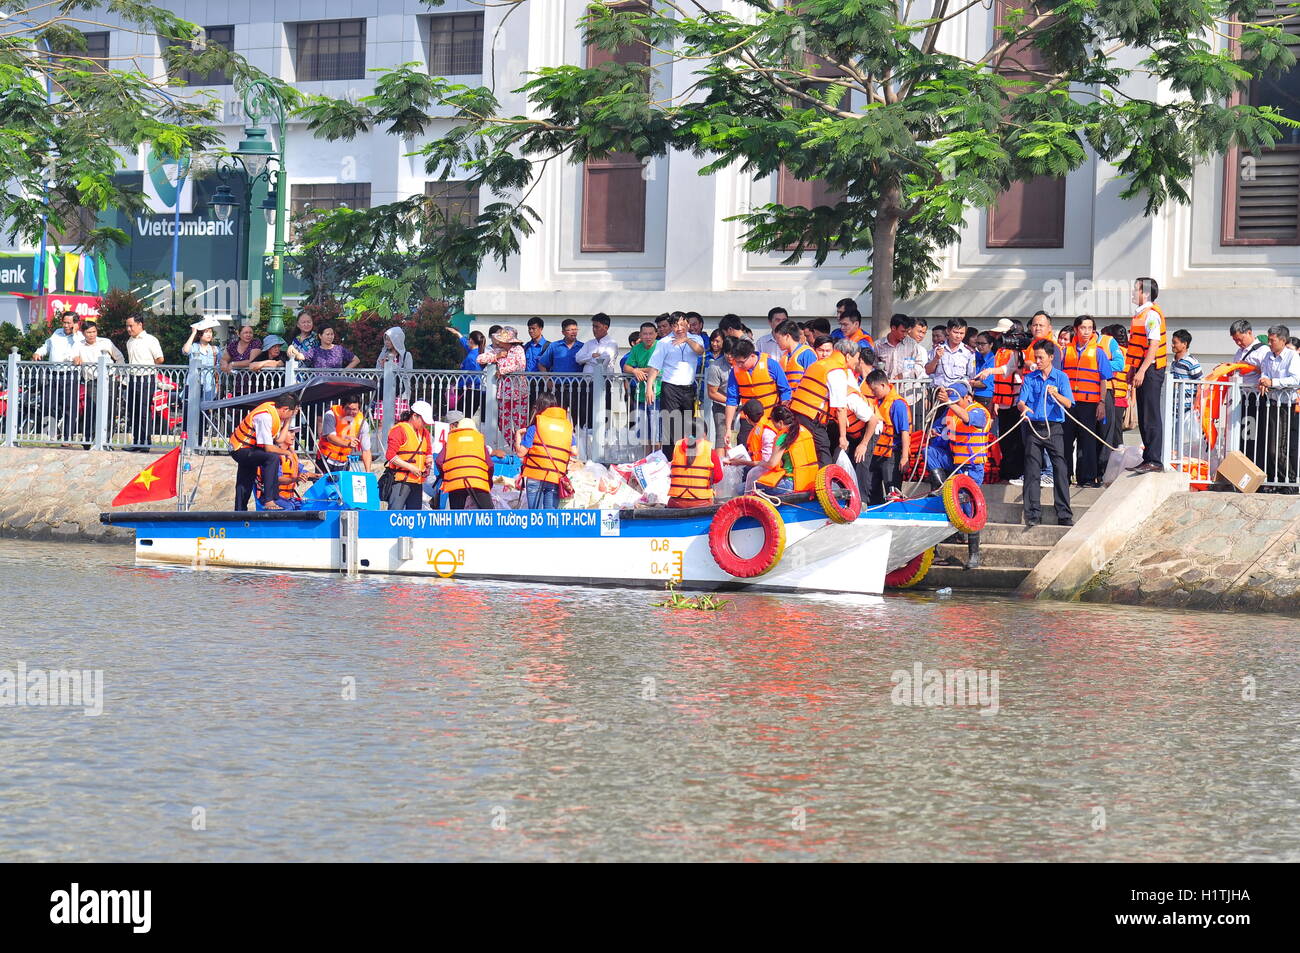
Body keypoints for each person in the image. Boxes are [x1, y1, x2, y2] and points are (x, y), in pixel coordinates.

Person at [925, 382, 990, 569]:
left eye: (957, 401)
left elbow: (969, 419)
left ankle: (974, 555)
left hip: (972, 466)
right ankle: (940, 488)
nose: (953, 405)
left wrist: (950, 404)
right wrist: (935, 433)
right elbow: (945, 436)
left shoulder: (979, 411)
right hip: (955, 463)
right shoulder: (950, 413)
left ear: (968, 397)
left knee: (969, 506)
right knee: (930, 452)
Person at [1017, 340, 1074, 529]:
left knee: (1060, 468)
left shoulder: (1061, 377)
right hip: (1033, 427)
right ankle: (1032, 514)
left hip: (1054, 428)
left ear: (1051, 357)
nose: (1038, 361)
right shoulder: (1030, 378)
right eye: (1036, 357)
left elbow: (1068, 403)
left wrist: (1056, 394)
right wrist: (1024, 408)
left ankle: (1064, 513)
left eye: (1041, 357)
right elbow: (1021, 401)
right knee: (1031, 470)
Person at [1061, 315, 1114, 488]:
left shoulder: (1098, 352)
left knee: (1088, 442)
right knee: (1066, 441)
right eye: (1083, 328)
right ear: (1076, 329)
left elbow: (1103, 380)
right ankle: (1065, 476)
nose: (1086, 331)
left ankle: (1088, 478)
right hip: (1068, 404)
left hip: (1089, 404)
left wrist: (1101, 402)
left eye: (1090, 328)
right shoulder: (1065, 351)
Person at [785, 336, 850, 465]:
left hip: (798, 412)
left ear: (834, 351)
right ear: (848, 357)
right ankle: (823, 483)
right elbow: (841, 407)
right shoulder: (835, 370)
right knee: (823, 447)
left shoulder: (815, 366)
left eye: (828, 351)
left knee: (808, 448)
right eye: (821, 350)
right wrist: (843, 437)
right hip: (810, 415)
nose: (824, 354)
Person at [647, 313, 705, 456]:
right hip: (670, 388)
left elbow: (700, 351)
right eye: (675, 325)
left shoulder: (696, 339)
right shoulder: (664, 342)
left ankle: (686, 458)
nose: (679, 328)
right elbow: (654, 367)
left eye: (681, 324)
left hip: (688, 389)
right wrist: (649, 388)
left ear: (687, 324)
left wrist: (686, 339)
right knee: (671, 427)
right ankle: (670, 460)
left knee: (688, 426)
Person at [1125, 276, 1167, 473]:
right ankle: (1148, 457)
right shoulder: (1140, 315)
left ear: (1146, 293)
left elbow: (1153, 345)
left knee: (1150, 414)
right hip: (1142, 367)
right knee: (1143, 415)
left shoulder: (1151, 315)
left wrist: (1141, 370)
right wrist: (1133, 369)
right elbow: (1138, 347)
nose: (1133, 293)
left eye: (1136, 289)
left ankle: (1155, 460)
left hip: (1151, 369)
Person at [229, 393, 298, 511]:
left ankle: (240, 511)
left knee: (246, 479)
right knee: (272, 458)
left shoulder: (275, 413)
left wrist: (289, 418)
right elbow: (269, 449)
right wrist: (287, 453)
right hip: (240, 449)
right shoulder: (265, 417)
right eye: (291, 413)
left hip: (250, 450)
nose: (291, 415)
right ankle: (270, 500)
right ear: (285, 409)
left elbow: (280, 440)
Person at [723, 338, 791, 449]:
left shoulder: (771, 365)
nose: (739, 365)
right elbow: (731, 400)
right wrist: (728, 429)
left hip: (771, 418)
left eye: (741, 362)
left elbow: (785, 390)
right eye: (737, 362)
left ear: (752, 356)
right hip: (748, 420)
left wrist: (782, 413)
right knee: (745, 448)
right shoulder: (735, 372)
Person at [855, 368, 911, 505]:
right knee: (873, 489)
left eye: (875, 390)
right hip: (877, 453)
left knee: (893, 491)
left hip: (892, 454)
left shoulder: (897, 404)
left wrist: (904, 458)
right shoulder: (878, 402)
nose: (873, 393)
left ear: (883, 385)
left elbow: (904, 432)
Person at [1257, 324, 1300, 493]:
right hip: (1272, 403)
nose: (1269, 343)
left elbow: (1296, 380)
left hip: (1285, 405)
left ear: (1282, 340)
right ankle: (1281, 481)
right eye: (1268, 340)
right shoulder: (1269, 355)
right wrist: (1263, 380)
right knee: (1270, 446)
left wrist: (1273, 383)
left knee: (1279, 447)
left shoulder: (1292, 356)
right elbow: (1265, 372)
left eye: (1272, 340)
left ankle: (1289, 481)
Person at [516, 393, 577, 509]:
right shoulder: (566, 427)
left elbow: (520, 452)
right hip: (555, 476)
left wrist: (518, 435)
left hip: (535, 475)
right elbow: (574, 451)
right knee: (550, 517)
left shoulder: (534, 427)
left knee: (535, 517)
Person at [34, 310, 86, 444]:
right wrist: (38, 353)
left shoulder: (80, 337)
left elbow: (80, 350)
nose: (66, 325)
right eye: (64, 322)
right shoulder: (57, 333)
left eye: (69, 323)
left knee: (69, 407)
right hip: (53, 374)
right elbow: (46, 346)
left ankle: (67, 437)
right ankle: (52, 433)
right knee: (47, 404)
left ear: (76, 324)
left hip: (70, 375)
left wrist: (74, 333)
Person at [71, 320, 124, 449]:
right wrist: (76, 359)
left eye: (94, 331)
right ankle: (88, 440)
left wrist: (118, 374)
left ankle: (106, 441)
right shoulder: (78, 344)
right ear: (83, 333)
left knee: (109, 410)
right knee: (91, 409)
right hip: (92, 381)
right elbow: (72, 356)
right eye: (89, 332)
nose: (92, 335)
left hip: (109, 380)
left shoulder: (105, 342)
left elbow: (119, 357)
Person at [1229, 319, 1268, 470]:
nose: (1238, 343)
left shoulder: (1263, 351)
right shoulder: (1239, 352)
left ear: (1249, 333)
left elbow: (1267, 373)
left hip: (1256, 398)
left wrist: (1251, 368)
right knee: (1243, 437)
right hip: (1241, 397)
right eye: (1235, 340)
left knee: (1256, 437)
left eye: (1240, 339)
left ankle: (1257, 469)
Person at [123, 314, 165, 451]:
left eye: (131, 326)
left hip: (147, 378)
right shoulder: (129, 341)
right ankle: (136, 441)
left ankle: (145, 441)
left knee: (143, 410)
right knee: (132, 410)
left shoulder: (150, 340)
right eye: (127, 326)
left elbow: (160, 359)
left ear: (140, 324)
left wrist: (147, 366)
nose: (129, 329)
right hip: (133, 378)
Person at [384, 400, 436, 510]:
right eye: (423, 421)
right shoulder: (399, 430)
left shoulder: (425, 433)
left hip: (417, 482)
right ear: (414, 416)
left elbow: (428, 452)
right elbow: (390, 456)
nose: (425, 424)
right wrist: (411, 467)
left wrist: (428, 464)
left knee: (414, 516)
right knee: (394, 515)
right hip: (401, 481)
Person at [481, 326, 530, 442]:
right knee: (503, 423)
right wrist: (496, 356)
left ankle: (521, 447)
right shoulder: (497, 350)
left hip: (519, 392)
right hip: (503, 393)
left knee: (520, 423)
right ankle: (513, 445)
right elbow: (480, 359)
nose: (498, 341)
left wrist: (502, 371)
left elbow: (520, 366)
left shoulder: (518, 349)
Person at [437, 417, 498, 509]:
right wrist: (488, 482)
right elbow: (490, 465)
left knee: (457, 516)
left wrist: (446, 476)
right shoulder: (479, 441)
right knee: (488, 513)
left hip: (456, 481)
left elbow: (439, 461)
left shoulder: (451, 441)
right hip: (477, 480)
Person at [574, 312, 619, 429]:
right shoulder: (589, 343)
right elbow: (578, 358)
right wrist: (591, 356)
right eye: (593, 326)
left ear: (606, 327)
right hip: (587, 383)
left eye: (597, 326)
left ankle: (602, 441)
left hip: (603, 383)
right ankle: (586, 440)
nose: (594, 329)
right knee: (585, 413)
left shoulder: (612, 343)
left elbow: (603, 362)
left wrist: (589, 359)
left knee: (602, 413)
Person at [623, 322, 660, 442]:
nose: (648, 337)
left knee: (657, 431)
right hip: (640, 395)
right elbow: (626, 367)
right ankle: (647, 459)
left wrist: (639, 370)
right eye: (645, 334)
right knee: (644, 432)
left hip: (658, 394)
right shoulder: (636, 348)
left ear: (656, 334)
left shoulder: (661, 346)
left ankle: (658, 458)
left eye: (651, 334)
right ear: (641, 335)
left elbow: (657, 369)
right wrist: (634, 370)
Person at [317, 396, 372, 474]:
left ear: (359, 409)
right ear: (342, 407)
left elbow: (366, 450)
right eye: (348, 408)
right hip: (325, 460)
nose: (350, 412)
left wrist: (368, 473)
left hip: (344, 463)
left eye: (354, 409)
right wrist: (347, 443)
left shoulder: (362, 423)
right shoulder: (331, 415)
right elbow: (330, 437)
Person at [1169, 328, 1203, 452]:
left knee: (1189, 438)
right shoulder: (1174, 362)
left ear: (1185, 344)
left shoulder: (1191, 362)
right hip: (1175, 407)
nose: (1172, 345)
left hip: (1187, 408)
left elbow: (1201, 383)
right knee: (1174, 437)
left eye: (1175, 342)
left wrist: (1196, 403)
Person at [667, 433, 723, 508]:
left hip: (676, 502)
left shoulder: (676, 447)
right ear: (704, 435)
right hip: (702, 503)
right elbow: (718, 477)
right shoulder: (710, 451)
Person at [875, 313, 928, 382]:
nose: (905, 334)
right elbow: (873, 367)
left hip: (907, 390)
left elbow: (919, 366)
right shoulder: (878, 345)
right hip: (886, 388)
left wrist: (903, 375)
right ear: (893, 328)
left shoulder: (912, 345)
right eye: (902, 331)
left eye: (907, 331)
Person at [926, 317, 975, 390]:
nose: (958, 336)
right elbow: (928, 371)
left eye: (961, 333)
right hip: (939, 391)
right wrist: (936, 358)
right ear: (948, 331)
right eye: (955, 332)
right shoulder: (937, 349)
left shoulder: (968, 352)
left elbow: (972, 377)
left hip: (958, 394)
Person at [704, 332, 732, 444]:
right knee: (721, 438)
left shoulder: (743, 364)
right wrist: (732, 402)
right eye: (727, 353)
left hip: (741, 408)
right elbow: (712, 392)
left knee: (738, 438)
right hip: (721, 405)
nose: (729, 356)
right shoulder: (716, 365)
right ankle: (720, 462)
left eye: (718, 341)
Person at [970, 333, 996, 411]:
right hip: (975, 395)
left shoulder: (993, 361)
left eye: (983, 344)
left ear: (991, 344)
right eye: (978, 343)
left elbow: (984, 384)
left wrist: (969, 383)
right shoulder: (979, 357)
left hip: (985, 397)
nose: (979, 346)